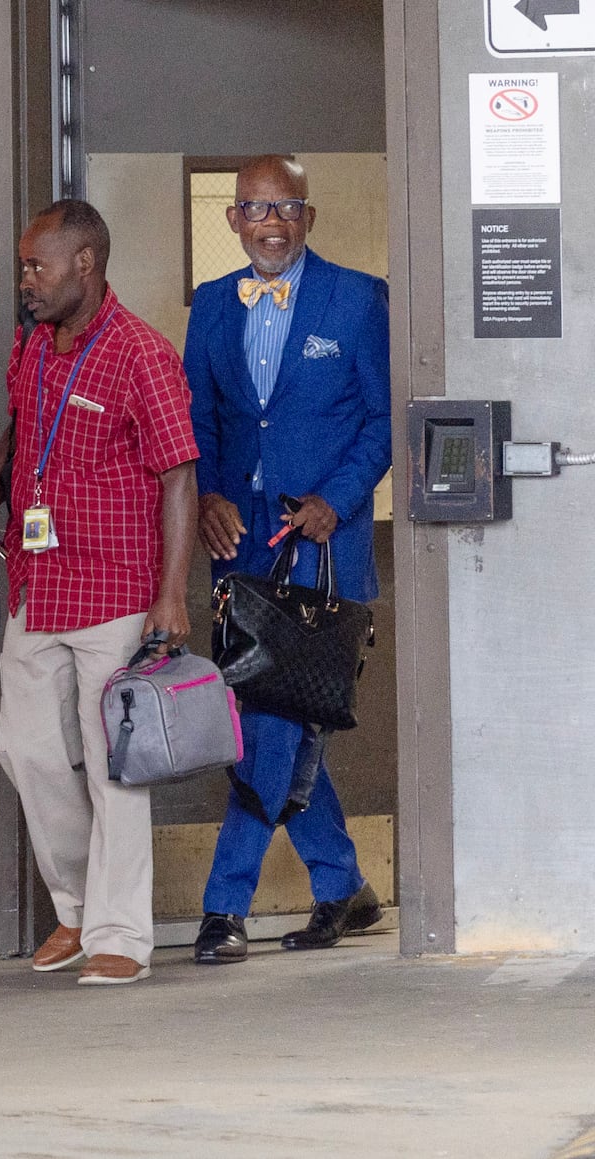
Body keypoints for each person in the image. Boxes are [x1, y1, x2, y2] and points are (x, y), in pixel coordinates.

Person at [0, 199, 199, 986]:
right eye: (23, 266)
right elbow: (18, 425)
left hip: (116, 586)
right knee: (26, 750)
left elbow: (179, 474)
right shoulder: (32, 342)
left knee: (115, 764)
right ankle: (74, 907)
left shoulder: (141, 352)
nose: (26, 280)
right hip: (36, 580)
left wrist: (171, 596)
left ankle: (120, 933)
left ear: (86, 264)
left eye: (38, 266)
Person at [184, 155, 391, 965]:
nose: (271, 223)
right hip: (239, 543)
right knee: (279, 717)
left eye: (286, 208)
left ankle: (223, 903)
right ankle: (342, 884)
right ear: (233, 219)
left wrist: (333, 501)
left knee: (271, 721)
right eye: (255, 209)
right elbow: (196, 415)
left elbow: (380, 420)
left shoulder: (356, 297)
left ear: (308, 217)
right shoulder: (209, 305)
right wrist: (205, 496)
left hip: (321, 546)